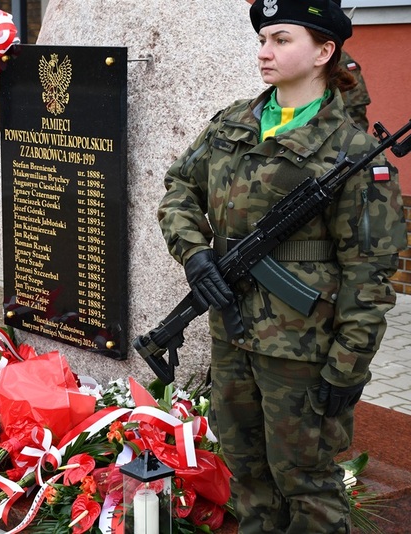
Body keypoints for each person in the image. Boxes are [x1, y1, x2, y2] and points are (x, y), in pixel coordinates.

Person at [157, 1, 406, 532]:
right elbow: (178, 186)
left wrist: (348, 366)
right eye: (263, 38)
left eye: (281, 39)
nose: (264, 51)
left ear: (324, 51)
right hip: (233, 333)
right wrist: (196, 253)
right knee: (246, 475)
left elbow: (370, 274)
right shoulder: (232, 121)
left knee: (306, 482)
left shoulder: (354, 151)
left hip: (304, 350)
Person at [339, 49, 371, 131]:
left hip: (352, 105)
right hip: (348, 104)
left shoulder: (339, 56)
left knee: (357, 136)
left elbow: (353, 85)